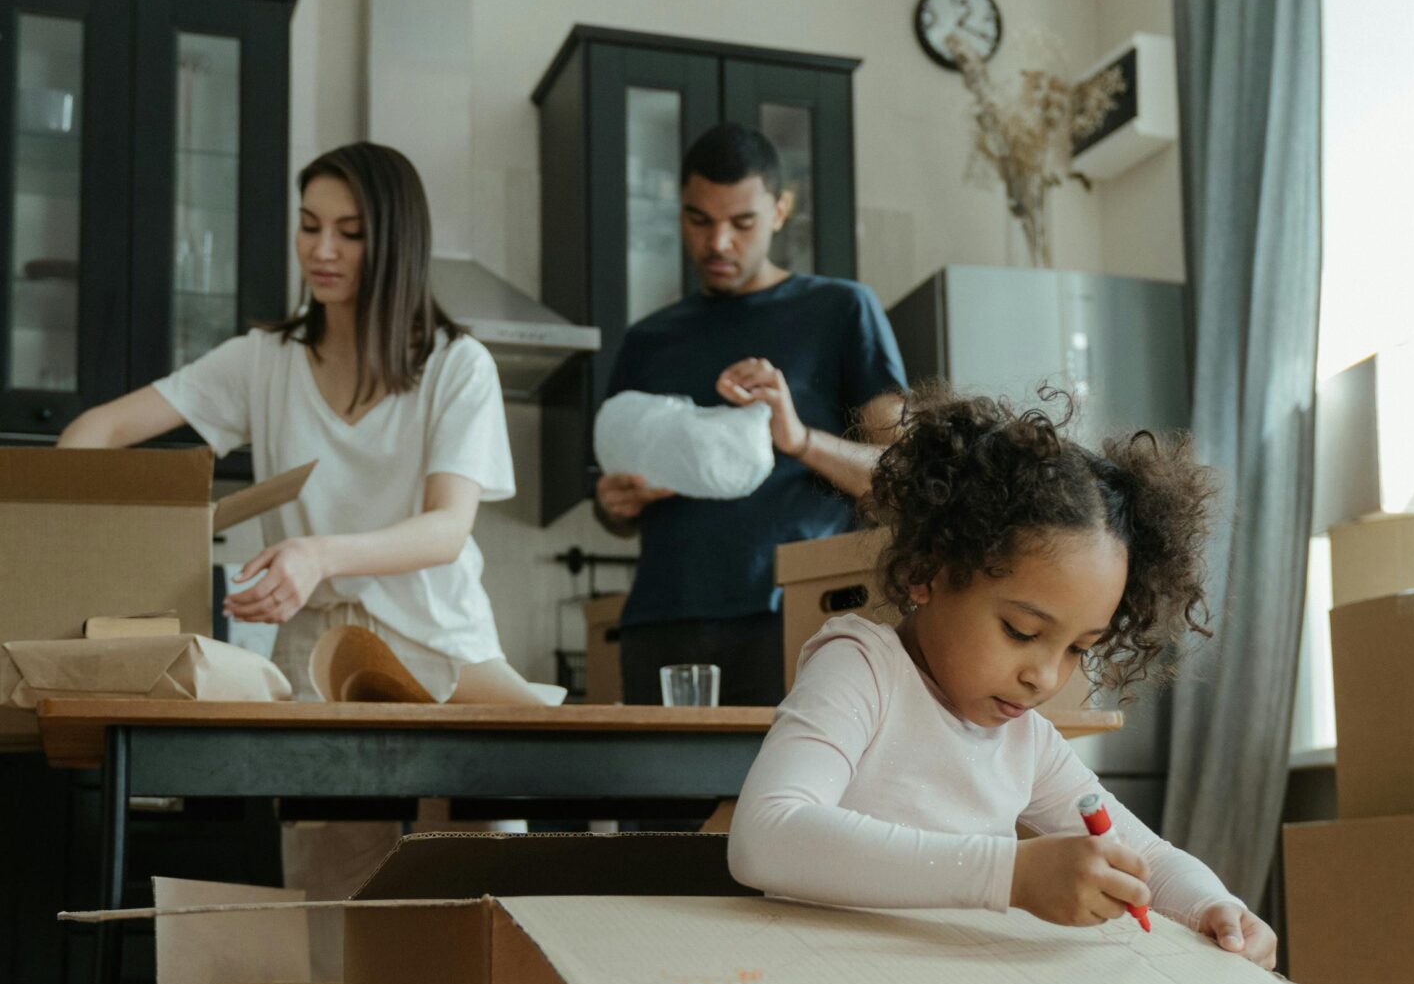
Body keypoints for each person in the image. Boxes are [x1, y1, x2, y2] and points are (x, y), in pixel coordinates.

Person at [728, 388, 1278, 964]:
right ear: (926, 573)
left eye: (1077, 649)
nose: (1044, 677)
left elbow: (1150, 860)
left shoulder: (1025, 739)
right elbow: (766, 837)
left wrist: (1216, 907)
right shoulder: (862, 667)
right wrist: (1009, 874)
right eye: (1020, 630)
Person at [59, 141, 539, 704]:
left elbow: (447, 527)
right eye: (309, 226)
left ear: (396, 242)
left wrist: (318, 555)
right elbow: (100, 429)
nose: (322, 250)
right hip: (311, 648)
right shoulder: (263, 360)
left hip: (439, 647)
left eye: (350, 232)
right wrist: (67, 536)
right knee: (317, 794)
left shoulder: (457, 365)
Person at [595, 122, 907, 706]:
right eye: (698, 219)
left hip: (796, 619)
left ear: (781, 210)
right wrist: (616, 504)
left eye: (741, 223)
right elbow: (616, 511)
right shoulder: (647, 340)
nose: (717, 243)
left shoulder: (842, 311)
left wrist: (799, 439)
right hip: (661, 623)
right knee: (666, 802)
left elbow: (903, 476)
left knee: (788, 801)